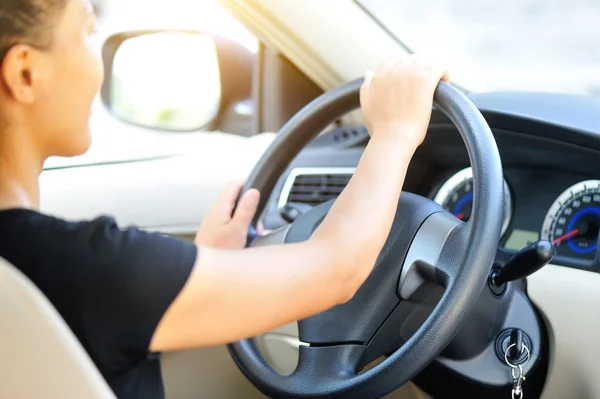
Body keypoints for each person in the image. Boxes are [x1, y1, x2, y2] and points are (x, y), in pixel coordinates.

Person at [0, 0, 449, 397]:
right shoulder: (83, 265)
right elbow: (338, 269)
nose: (96, 61)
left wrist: (200, 263)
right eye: (86, 31)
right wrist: (395, 132)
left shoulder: (43, 262)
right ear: (25, 74)